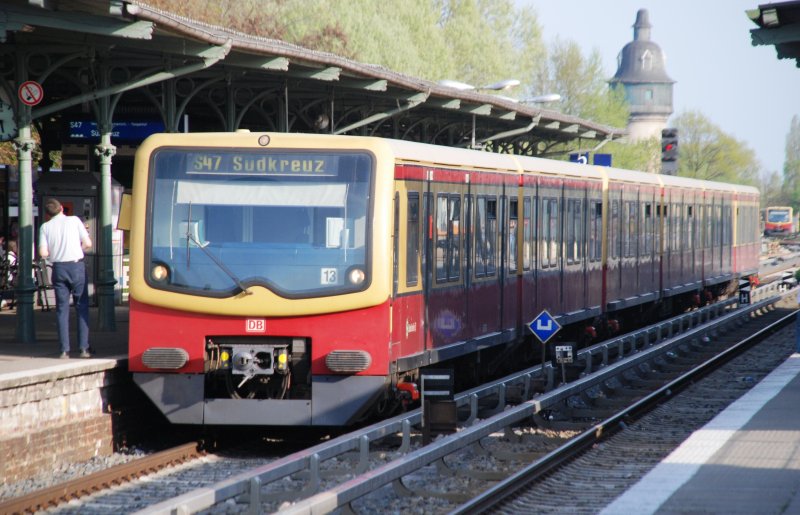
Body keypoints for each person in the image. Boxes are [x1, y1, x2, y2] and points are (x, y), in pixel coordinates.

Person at [38, 198, 93, 359]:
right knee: (81, 307)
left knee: (62, 310)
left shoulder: (45, 227)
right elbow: (88, 243)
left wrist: (54, 253)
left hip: (59, 269)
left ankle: (64, 350)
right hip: (76, 267)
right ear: (62, 208)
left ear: (48, 214)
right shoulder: (74, 220)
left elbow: (43, 253)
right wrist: (78, 249)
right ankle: (83, 348)